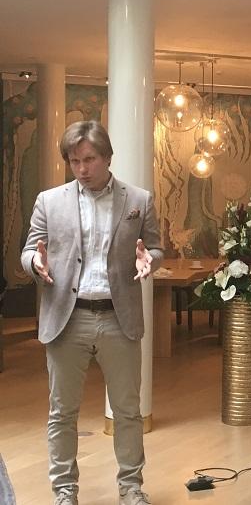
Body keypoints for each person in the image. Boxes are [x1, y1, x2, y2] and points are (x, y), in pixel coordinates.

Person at [20, 120, 163, 505]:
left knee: (127, 411)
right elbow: (29, 250)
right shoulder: (49, 201)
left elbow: (156, 247)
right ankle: (64, 492)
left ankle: (131, 488)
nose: (81, 169)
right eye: (74, 161)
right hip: (67, 318)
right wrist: (35, 262)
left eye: (89, 159)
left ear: (107, 157)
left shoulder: (138, 199)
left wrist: (151, 259)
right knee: (62, 412)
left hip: (119, 317)